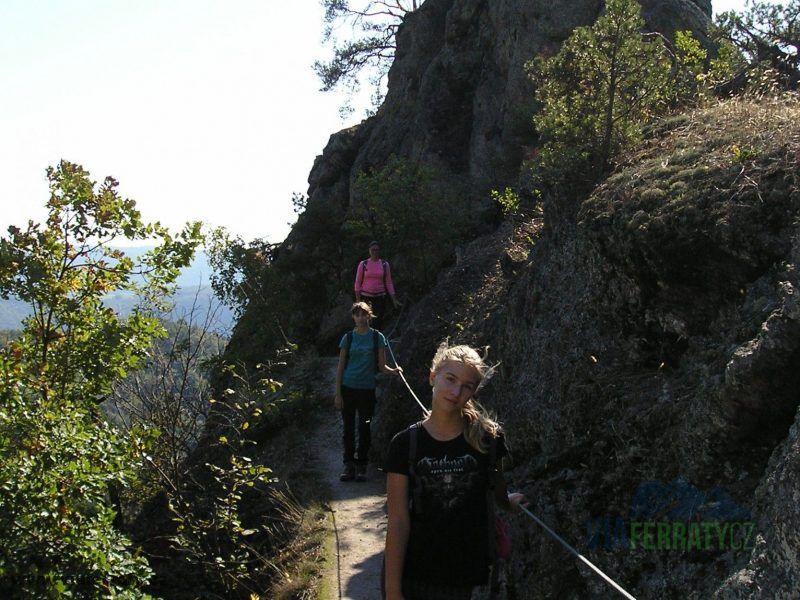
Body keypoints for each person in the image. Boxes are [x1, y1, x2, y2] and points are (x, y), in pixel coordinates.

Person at [383, 342, 525, 600]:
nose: (456, 391)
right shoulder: (404, 444)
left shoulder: (488, 440)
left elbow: (496, 487)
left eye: (467, 386)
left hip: (471, 580)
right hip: (418, 576)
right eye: (450, 379)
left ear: (473, 391)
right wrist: (392, 590)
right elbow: (398, 520)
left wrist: (509, 502)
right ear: (432, 376)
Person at [335, 301, 402, 482]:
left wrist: (394, 372)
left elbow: (382, 366)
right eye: (357, 314)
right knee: (348, 429)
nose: (361, 317)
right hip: (348, 389)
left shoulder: (377, 338)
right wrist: (337, 394)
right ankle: (349, 465)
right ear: (353, 317)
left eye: (364, 314)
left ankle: (362, 466)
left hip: (367, 390)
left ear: (369, 315)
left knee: (364, 427)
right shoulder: (348, 338)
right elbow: (340, 367)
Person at [354, 241, 401, 330]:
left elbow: (389, 282)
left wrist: (394, 299)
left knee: (378, 321)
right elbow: (357, 282)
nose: (375, 252)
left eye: (377, 250)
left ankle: (376, 340)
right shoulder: (363, 264)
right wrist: (358, 300)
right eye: (373, 250)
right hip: (366, 297)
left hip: (380, 297)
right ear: (369, 251)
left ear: (379, 251)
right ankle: (366, 339)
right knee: (366, 320)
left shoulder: (384, 264)